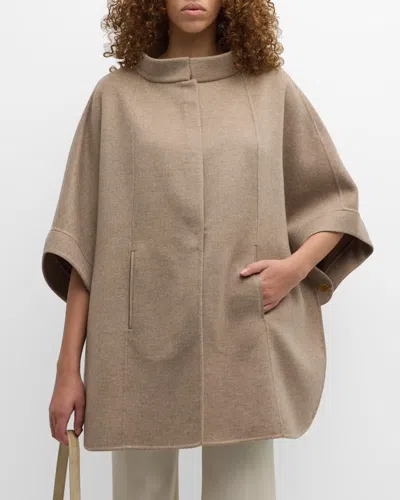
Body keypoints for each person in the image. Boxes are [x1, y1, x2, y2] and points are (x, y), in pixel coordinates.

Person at [42, 1, 374, 499]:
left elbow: (336, 205)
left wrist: (292, 270)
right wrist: (67, 370)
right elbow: (80, 245)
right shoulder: (115, 97)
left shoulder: (271, 90)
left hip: (242, 332)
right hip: (135, 344)